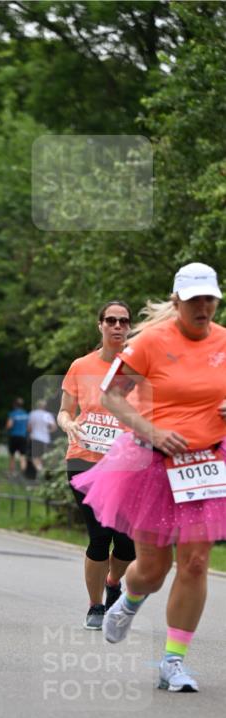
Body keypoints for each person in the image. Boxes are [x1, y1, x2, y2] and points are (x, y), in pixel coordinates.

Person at [73, 262, 226, 692]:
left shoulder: (225, 342)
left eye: (210, 298)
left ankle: (173, 662)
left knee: (195, 563)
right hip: (152, 463)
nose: (204, 307)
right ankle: (129, 597)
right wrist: (152, 430)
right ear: (177, 302)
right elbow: (112, 396)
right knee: (153, 569)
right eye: (195, 299)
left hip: (207, 463)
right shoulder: (150, 344)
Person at [57, 301, 136, 629]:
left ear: (129, 327)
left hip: (126, 466)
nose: (117, 326)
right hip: (83, 460)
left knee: (128, 543)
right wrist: (68, 425)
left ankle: (113, 583)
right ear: (100, 325)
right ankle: (95, 607)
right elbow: (64, 411)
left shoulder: (137, 369)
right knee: (99, 536)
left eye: (123, 321)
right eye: (111, 321)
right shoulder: (81, 365)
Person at [27, 399, 57, 473]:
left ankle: (40, 471)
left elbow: (29, 428)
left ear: (37, 406)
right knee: (43, 457)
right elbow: (54, 427)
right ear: (45, 407)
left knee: (35, 457)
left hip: (35, 438)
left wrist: (31, 433)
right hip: (45, 439)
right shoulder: (48, 415)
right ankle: (43, 472)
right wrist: (47, 431)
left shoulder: (32, 414)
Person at [6, 398, 29, 475]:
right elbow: (28, 427)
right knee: (22, 455)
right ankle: (23, 472)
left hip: (14, 436)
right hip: (23, 436)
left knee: (12, 455)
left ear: (14, 404)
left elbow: (9, 425)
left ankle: (11, 472)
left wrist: (7, 429)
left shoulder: (13, 414)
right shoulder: (26, 414)